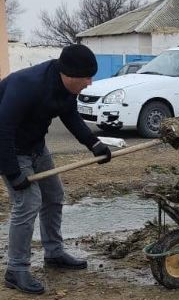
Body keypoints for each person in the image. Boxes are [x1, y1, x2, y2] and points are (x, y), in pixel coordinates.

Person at [0, 44, 112, 294]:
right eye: (86, 77)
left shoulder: (65, 87)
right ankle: (16, 269)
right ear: (70, 75)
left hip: (36, 146)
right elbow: (3, 128)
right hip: (10, 148)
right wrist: (12, 172)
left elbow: (69, 115)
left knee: (53, 196)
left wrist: (93, 143)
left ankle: (53, 252)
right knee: (27, 203)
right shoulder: (27, 85)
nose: (90, 83)